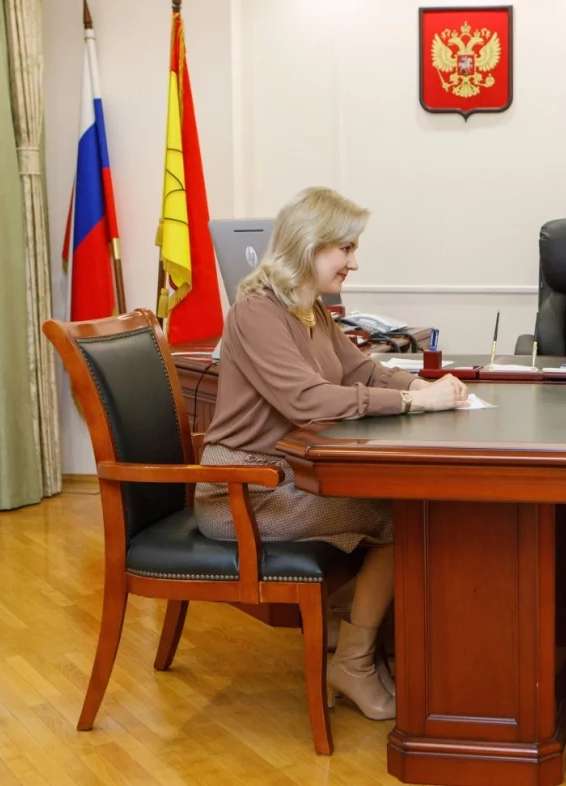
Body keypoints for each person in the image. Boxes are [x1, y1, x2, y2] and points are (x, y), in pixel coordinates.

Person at [194, 186, 469, 722]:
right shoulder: (256, 312)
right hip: (243, 491)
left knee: (404, 506)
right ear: (310, 244)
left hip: (287, 477)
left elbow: (360, 370)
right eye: (345, 248)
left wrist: (428, 387)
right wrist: (413, 402)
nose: (353, 262)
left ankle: (347, 633)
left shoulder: (310, 310)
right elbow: (307, 399)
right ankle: (354, 663)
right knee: (404, 515)